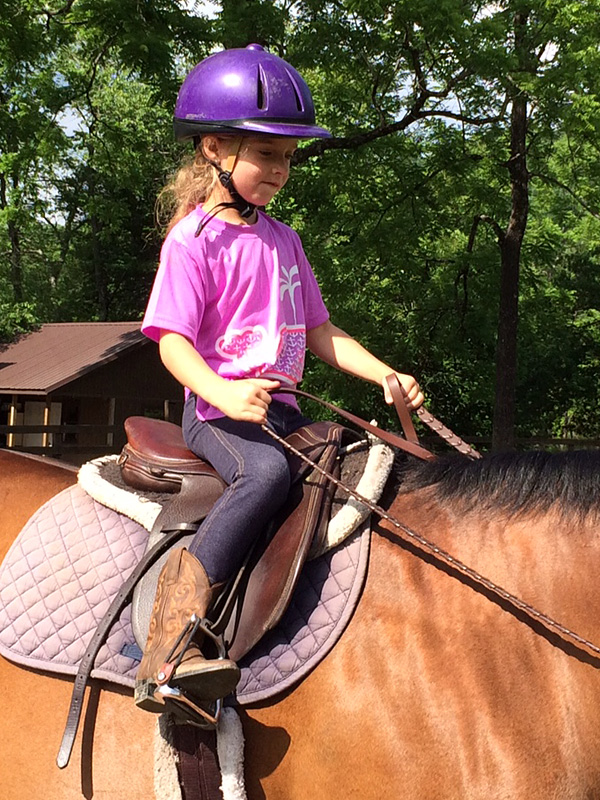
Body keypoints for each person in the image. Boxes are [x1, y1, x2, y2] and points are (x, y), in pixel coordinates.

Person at [135, 43, 424, 713]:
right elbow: (171, 343)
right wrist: (224, 391)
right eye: (267, 154)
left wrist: (387, 374)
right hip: (220, 416)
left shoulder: (284, 240)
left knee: (360, 461)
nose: (281, 170)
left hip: (283, 411)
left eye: (289, 158)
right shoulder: (192, 241)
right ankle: (169, 648)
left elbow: (319, 332)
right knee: (263, 476)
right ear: (214, 146)